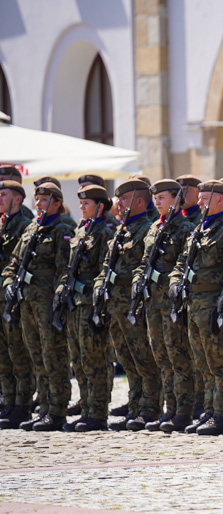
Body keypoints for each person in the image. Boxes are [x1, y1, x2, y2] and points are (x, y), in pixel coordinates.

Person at [169, 180, 223, 436]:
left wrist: (222, 306)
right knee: (202, 364)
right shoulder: (199, 229)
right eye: (198, 198)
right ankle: (209, 411)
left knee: (219, 362)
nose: (199, 202)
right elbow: (181, 262)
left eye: (204, 198)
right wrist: (175, 282)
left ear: (220, 200)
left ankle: (222, 414)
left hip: (212, 305)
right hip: (193, 304)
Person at [2, 182, 74, 431]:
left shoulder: (61, 229)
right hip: (26, 302)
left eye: (45, 200)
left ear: (56, 203)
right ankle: (43, 408)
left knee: (53, 355)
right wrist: (10, 282)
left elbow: (65, 269)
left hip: (47, 304)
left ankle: (57, 410)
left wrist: (58, 296)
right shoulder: (32, 228)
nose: (39, 204)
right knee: (37, 357)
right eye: (37, 200)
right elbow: (14, 262)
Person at [131, 179, 197, 433]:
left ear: (176, 199)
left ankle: (183, 411)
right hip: (152, 304)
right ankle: (168, 409)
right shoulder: (153, 228)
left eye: (162, 198)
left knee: (177, 357)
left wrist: (159, 278)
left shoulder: (185, 229)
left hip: (171, 304)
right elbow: (143, 262)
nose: (157, 202)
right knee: (161, 358)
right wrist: (138, 279)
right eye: (155, 198)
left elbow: (184, 266)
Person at [94, 179, 159, 432]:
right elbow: (107, 266)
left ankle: (149, 410)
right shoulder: (122, 230)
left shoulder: (146, 229)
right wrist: (100, 285)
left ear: (139, 201)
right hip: (115, 306)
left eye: (123, 199)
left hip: (134, 307)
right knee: (128, 361)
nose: (118, 204)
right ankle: (135, 408)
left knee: (144, 360)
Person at [57, 185, 114, 432]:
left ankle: (97, 414)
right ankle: (87, 408)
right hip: (75, 304)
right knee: (79, 361)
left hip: (91, 303)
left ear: (100, 206)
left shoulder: (105, 233)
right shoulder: (82, 230)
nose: (81, 207)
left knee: (94, 360)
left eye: (87, 203)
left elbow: (105, 269)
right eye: (80, 204)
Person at [0, 180, 35, 429]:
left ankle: (22, 405)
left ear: (18, 199)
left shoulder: (24, 226)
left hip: (14, 299)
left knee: (18, 353)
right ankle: (8, 400)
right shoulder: (3, 224)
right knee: (3, 355)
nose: (0, 199)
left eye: (4, 195)